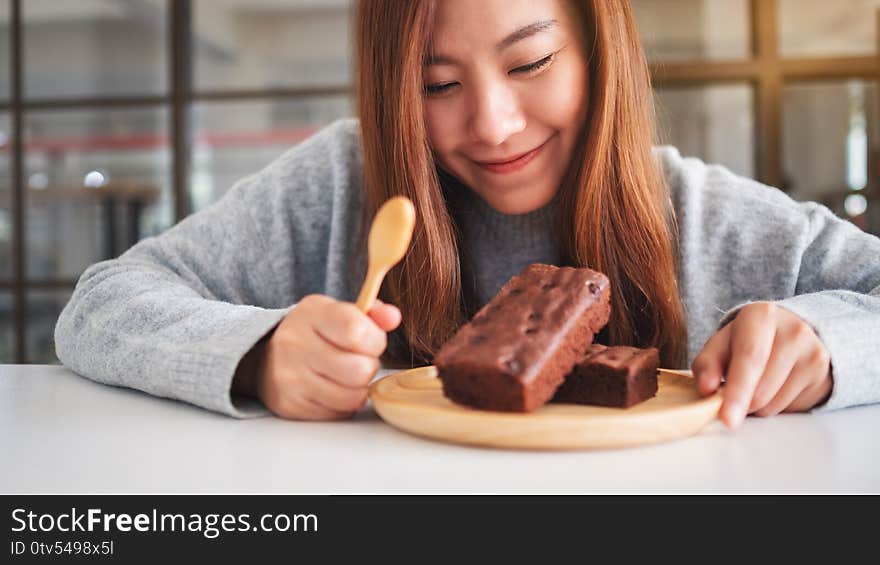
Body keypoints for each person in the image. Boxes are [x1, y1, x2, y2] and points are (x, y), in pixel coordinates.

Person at [55, 0, 880, 430]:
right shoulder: (345, 185)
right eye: (436, 85)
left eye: (531, 62)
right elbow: (101, 303)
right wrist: (258, 355)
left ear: (601, 49)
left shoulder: (702, 217)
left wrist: (825, 346)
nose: (491, 123)